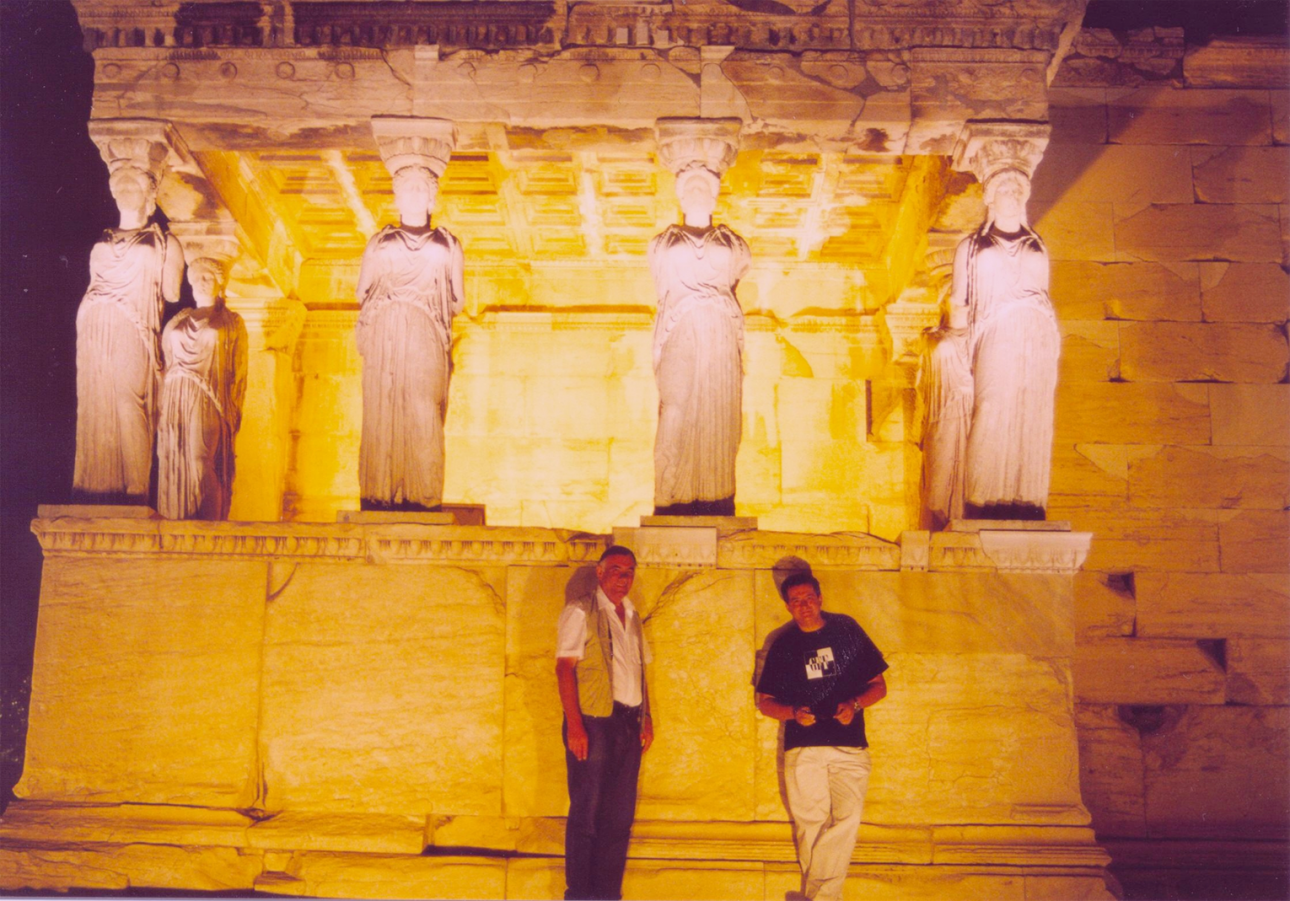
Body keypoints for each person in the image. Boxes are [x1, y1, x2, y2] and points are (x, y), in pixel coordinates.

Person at [755, 571, 888, 901]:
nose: (804, 605)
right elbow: (765, 702)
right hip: (803, 749)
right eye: (796, 601)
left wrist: (854, 704)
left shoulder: (846, 630)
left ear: (820, 598)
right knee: (810, 826)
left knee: (848, 819)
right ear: (788, 606)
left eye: (808, 598)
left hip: (850, 746)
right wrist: (793, 713)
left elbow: (879, 686)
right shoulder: (783, 645)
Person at [949, 167, 1060, 520]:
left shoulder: (1037, 244)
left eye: (1017, 191)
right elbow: (958, 302)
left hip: (1036, 332)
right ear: (991, 198)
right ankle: (981, 499)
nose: (1011, 196)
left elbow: (1044, 292)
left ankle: (1027, 500)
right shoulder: (971, 246)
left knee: (1031, 410)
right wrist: (957, 354)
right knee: (991, 405)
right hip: (993, 329)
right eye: (1004, 190)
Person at [355, 163, 464, 510]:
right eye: (408, 188)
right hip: (385, 329)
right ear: (397, 197)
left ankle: (423, 495)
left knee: (423, 407)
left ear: (432, 198)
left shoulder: (448, 244)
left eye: (421, 188)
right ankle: (379, 494)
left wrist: (424, 303)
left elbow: (458, 300)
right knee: (382, 408)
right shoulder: (379, 242)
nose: (415, 194)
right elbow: (361, 291)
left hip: (426, 329)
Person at [74, 164, 184, 502]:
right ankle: (96, 487)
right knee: (96, 401)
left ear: (149, 195)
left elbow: (172, 293)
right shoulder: (104, 237)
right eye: (120, 188)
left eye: (132, 188)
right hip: (95, 322)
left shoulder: (165, 242)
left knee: (128, 398)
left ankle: (138, 486)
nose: (125, 193)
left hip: (135, 323)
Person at [647, 163, 751, 516]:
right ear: (679, 195)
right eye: (689, 187)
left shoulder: (733, 243)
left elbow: (737, 275)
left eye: (703, 187)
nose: (696, 191)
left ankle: (715, 496)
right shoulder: (662, 243)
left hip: (719, 327)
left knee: (719, 410)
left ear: (714, 195)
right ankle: (670, 493)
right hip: (681, 323)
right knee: (675, 405)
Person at [555, 546, 655, 900]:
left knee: (619, 818)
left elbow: (639, 670)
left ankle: (607, 895)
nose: (623, 578)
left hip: (628, 723)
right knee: (587, 813)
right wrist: (575, 725)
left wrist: (646, 718)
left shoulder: (633, 615)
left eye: (629, 571)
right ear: (599, 572)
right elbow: (564, 668)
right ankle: (580, 894)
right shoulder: (580, 610)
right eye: (616, 570)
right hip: (593, 723)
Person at [156, 258, 248, 520]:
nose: (201, 282)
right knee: (175, 461)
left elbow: (239, 370)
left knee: (201, 460)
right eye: (196, 278)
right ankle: (181, 525)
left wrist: (233, 407)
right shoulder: (179, 319)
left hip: (209, 396)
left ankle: (210, 528)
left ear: (220, 283)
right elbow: (164, 360)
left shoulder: (230, 321)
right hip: (176, 393)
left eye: (207, 277)